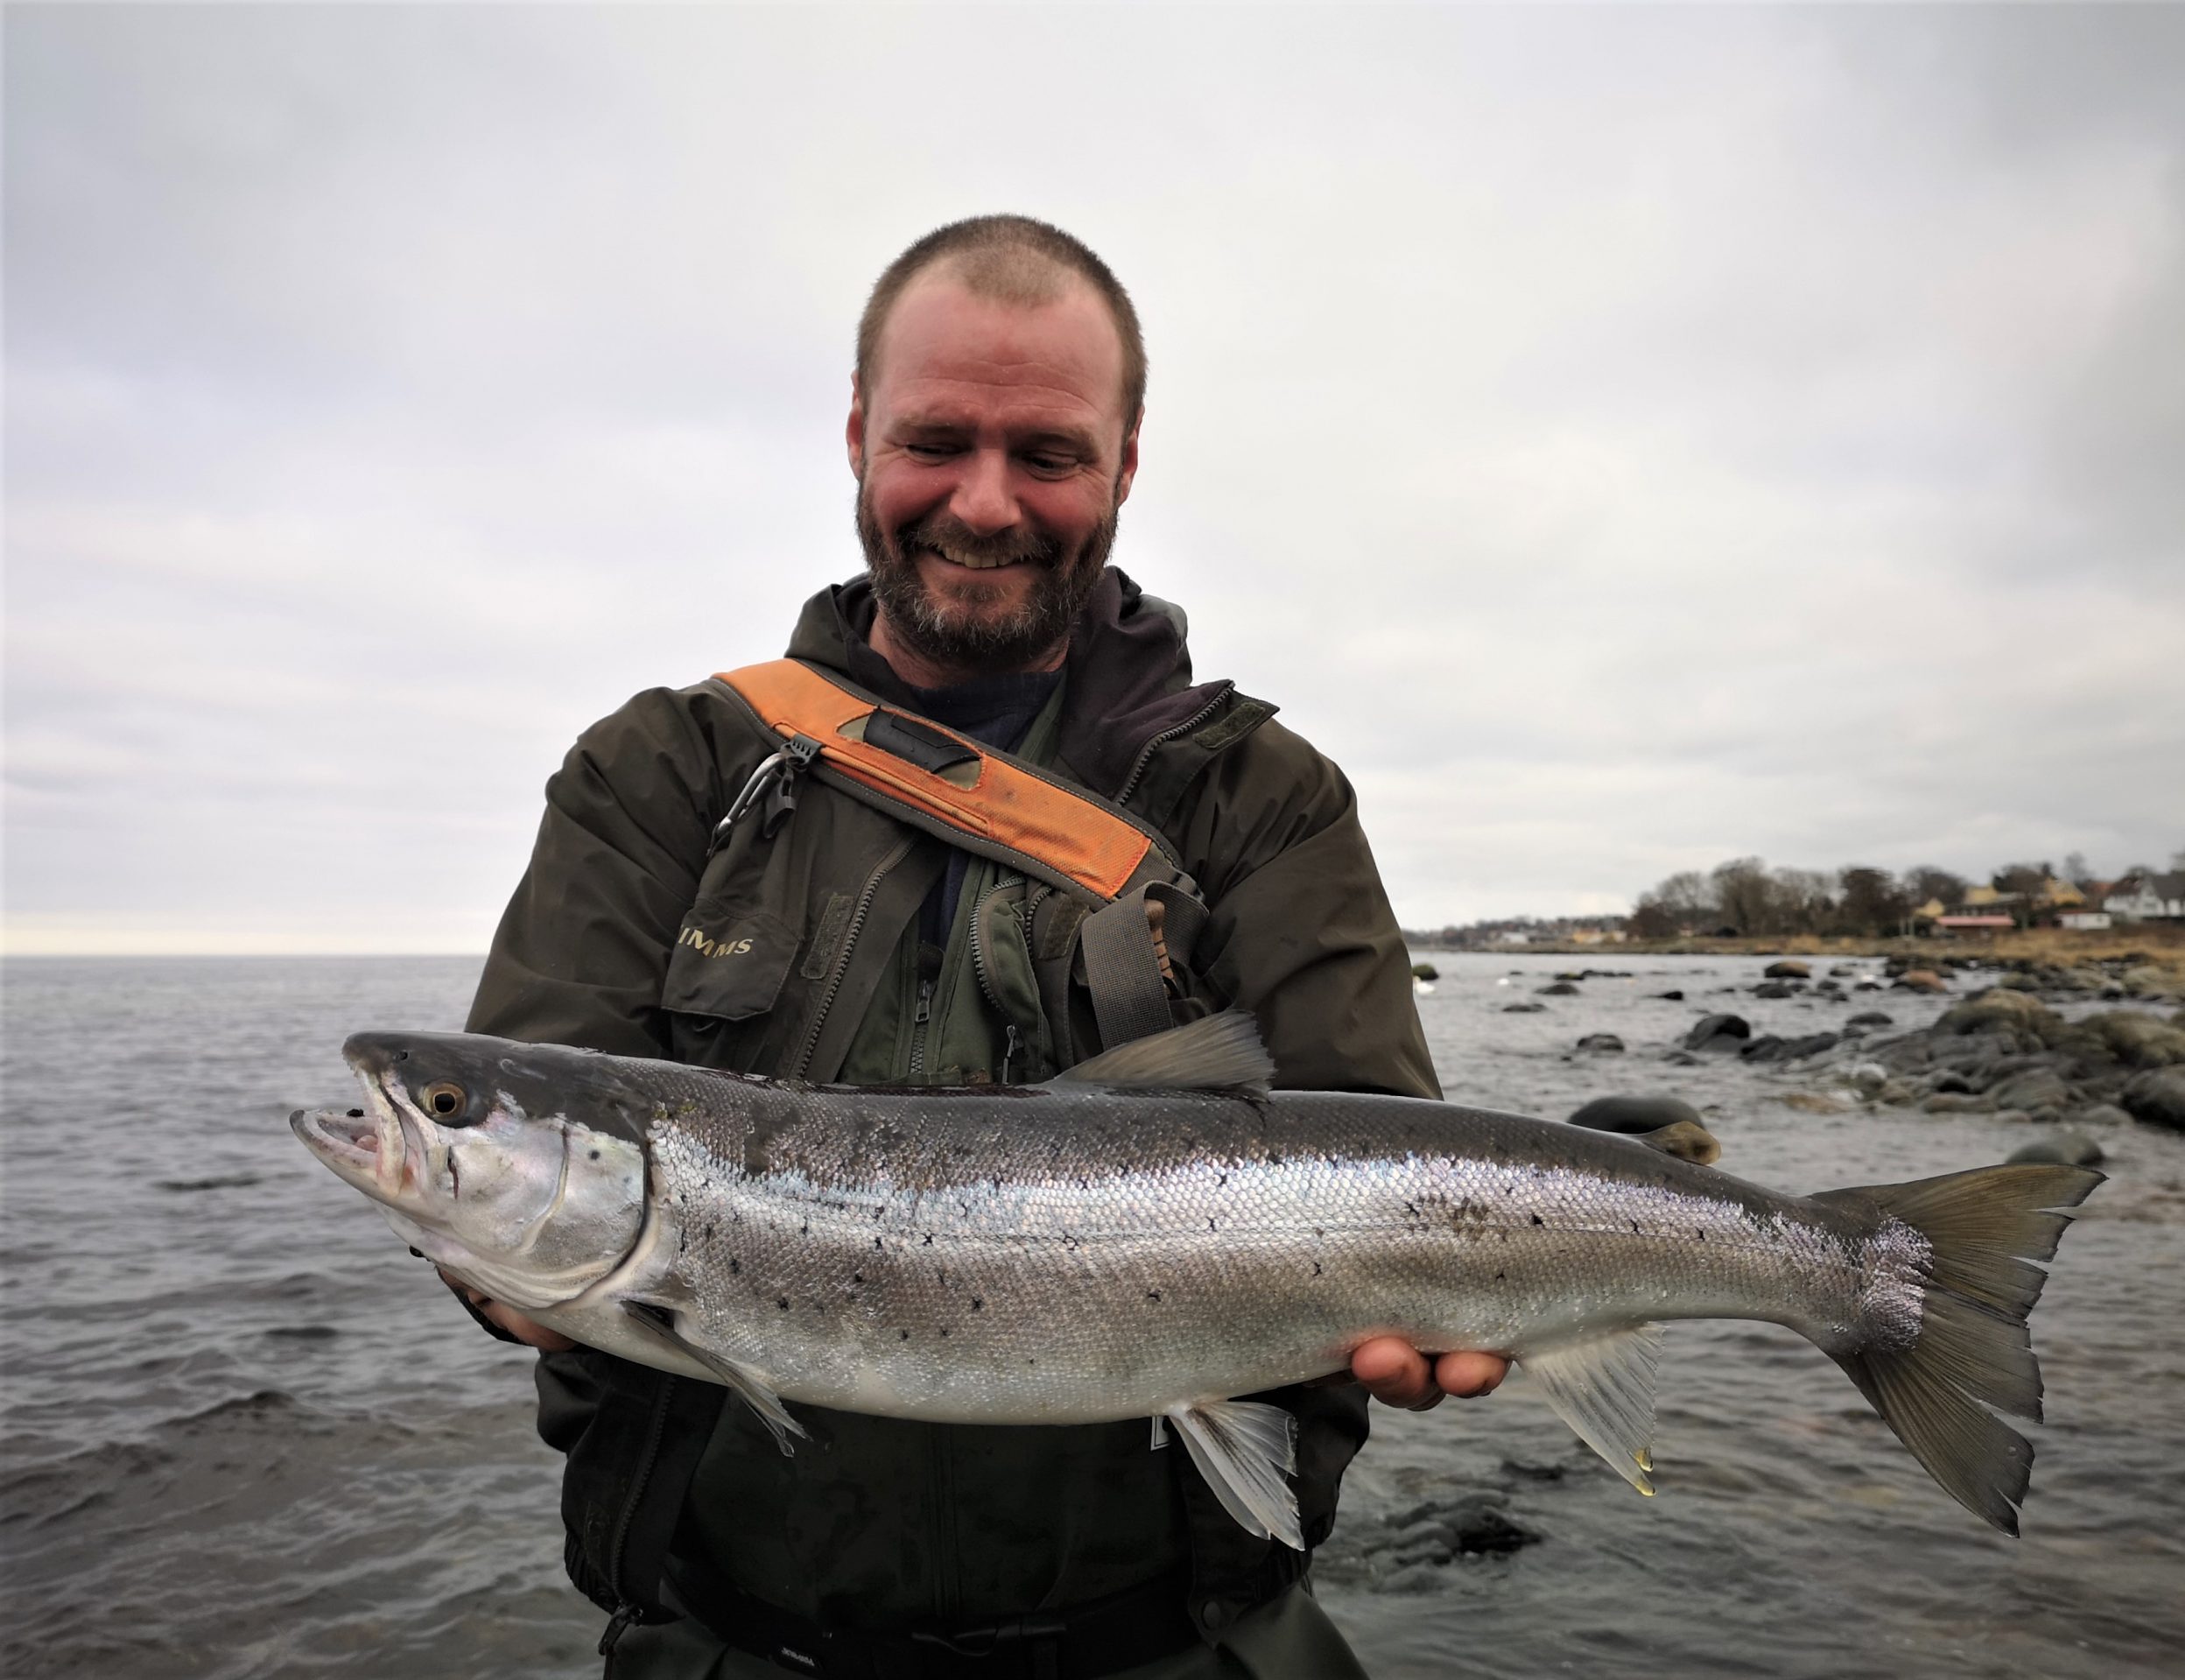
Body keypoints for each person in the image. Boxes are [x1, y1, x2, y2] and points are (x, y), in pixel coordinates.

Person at [452, 215, 1507, 1679]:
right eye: (935, 442)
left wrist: (1454, 1309)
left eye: (1050, 456)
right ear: (857, 442)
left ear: (1127, 464)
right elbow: (537, 1130)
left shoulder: (1262, 795)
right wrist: (493, 1267)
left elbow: (1388, 1147)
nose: (987, 504)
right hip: (737, 1644)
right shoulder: (662, 768)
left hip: (1175, 1647)